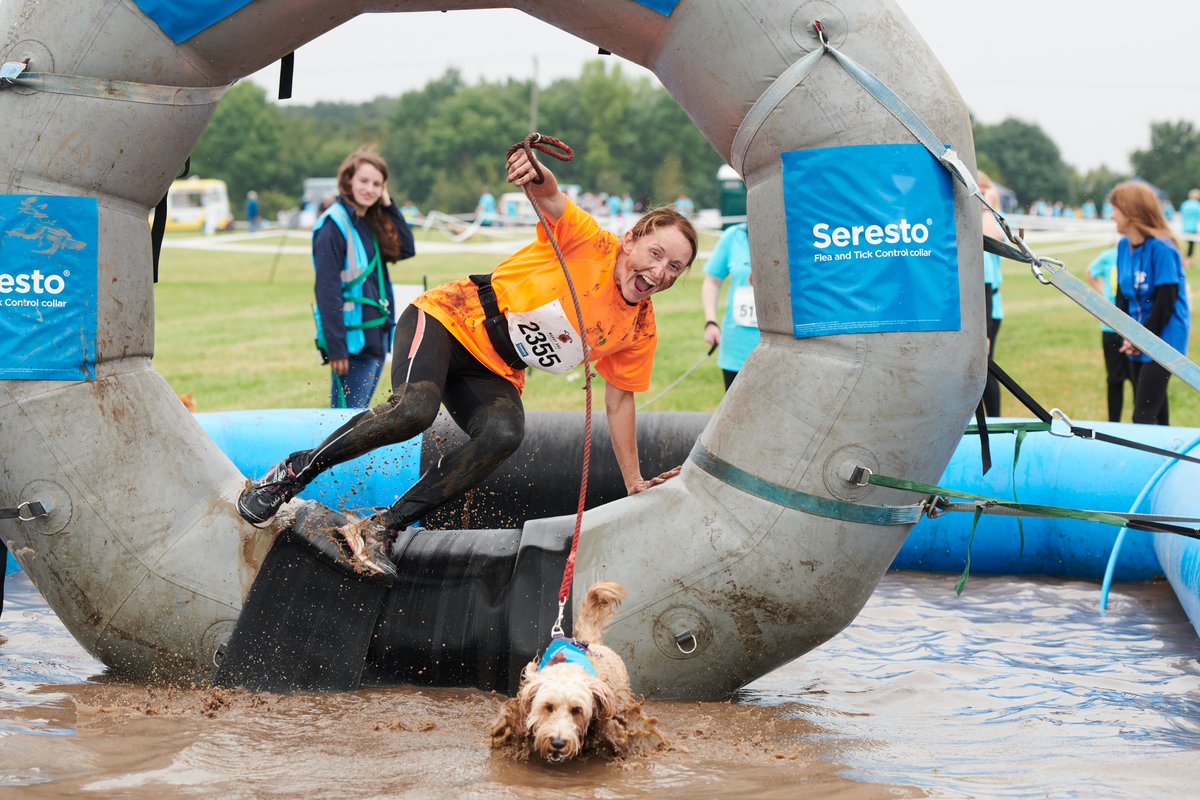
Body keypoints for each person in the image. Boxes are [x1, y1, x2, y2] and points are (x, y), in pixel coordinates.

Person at [237, 146, 698, 576]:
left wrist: (634, 480)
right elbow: (550, 195)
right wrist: (532, 171)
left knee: (505, 432)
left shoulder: (640, 328)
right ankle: (292, 472)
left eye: (674, 268)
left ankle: (382, 527)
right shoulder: (591, 243)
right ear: (631, 240)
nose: (658, 273)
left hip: (495, 367)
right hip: (448, 318)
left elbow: (620, 402)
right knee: (414, 412)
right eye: (655, 254)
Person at [312, 147, 416, 409]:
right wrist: (336, 348)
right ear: (348, 180)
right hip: (352, 343)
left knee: (356, 419)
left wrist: (389, 205)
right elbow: (327, 291)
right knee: (346, 421)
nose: (369, 189)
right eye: (363, 181)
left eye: (377, 184)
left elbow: (406, 248)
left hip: (376, 337)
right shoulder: (332, 225)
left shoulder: (368, 221)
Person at [1109, 181, 1190, 425]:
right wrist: (1127, 334)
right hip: (1139, 334)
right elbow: (1122, 295)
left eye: (1115, 209)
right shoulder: (1124, 246)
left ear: (1132, 212)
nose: (1111, 215)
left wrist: (1141, 339)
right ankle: (1169, 458)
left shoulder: (1163, 249)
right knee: (1154, 408)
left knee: (1142, 414)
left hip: (1165, 335)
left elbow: (1166, 302)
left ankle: (1152, 461)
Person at [701, 221, 757, 389]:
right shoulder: (733, 235)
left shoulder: (794, 232)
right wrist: (711, 322)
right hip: (737, 346)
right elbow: (712, 281)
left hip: (784, 346)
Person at [1086, 245, 1130, 421]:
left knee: (1138, 381)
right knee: (1114, 379)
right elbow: (1089, 271)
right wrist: (1102, 293)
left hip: (1133, 328)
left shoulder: (1138, 256)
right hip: (1110, 327)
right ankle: (1114, 423)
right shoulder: (1108, 256)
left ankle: (1142, 426)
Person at [978, 171, 1004, 416]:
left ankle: (994, 419)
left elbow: (995, 236)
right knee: (980, 370)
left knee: (986, 369)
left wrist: (987, 206)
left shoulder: (990, 220)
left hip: (989, 307)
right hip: (980, 305)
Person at [1179, 188, 1200, 265]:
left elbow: (1182, 215)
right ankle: (1189, 260)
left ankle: (1185, 260)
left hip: (1185, 227)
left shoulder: (1185, 204)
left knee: (1185, 245)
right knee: (1191, 245)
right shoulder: (1197, 205)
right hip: (1194, 227)